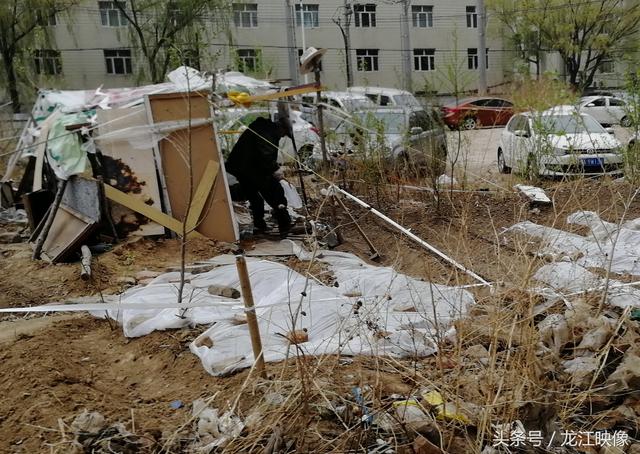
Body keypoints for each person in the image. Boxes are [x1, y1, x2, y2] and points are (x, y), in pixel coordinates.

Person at [225, 116, 292, 235]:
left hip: (242, 167)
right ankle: (284, 224)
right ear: (281, 128)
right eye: (284, 134)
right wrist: (275, 169)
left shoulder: (264, 129)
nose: (283, 136)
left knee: (254, 196)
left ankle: (260, 223)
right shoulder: (267, 133)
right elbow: (266, 154)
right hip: (251, 168)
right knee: (275, 192)